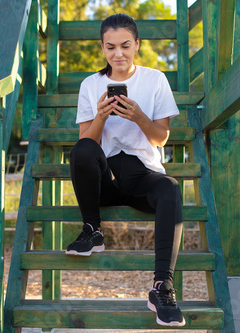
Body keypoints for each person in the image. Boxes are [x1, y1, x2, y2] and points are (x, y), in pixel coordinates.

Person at [65, 13, 186, 327]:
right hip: (103, 179)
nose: (118, 54)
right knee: (83, 148)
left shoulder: (155, 79)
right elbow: (84, 146)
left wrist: (138, 117)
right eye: (110, 47)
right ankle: (92, 231)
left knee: (171, 187)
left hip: (141, 175)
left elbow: (161, 137)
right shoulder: (91, 85)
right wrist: (101, 117)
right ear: (102, 48)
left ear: (137, 45)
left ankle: (162, 288)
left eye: (125, 46)